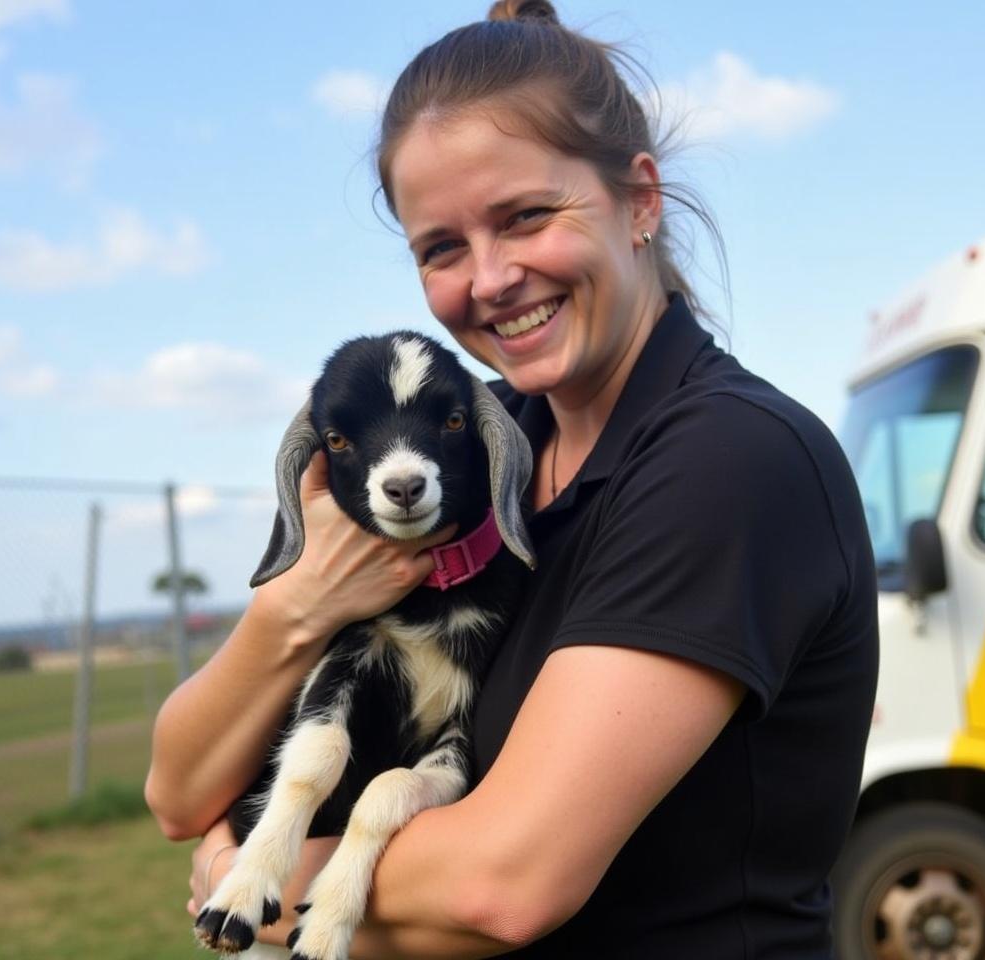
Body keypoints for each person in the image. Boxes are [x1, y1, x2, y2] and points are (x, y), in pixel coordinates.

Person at [145, 2, 879, 957]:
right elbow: (177, 790)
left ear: (641, 200)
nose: (489, 280)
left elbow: (505, 882)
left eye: (527, 217)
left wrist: (255, 877)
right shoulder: (474, 442)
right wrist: (301, 603)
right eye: (441, 248)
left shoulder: (727, 459)